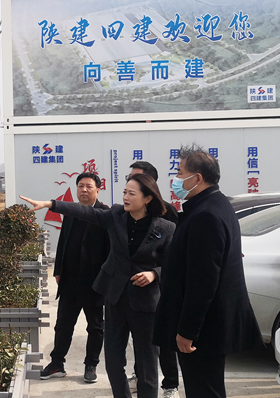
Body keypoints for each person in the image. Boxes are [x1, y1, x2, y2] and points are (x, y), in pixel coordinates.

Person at [21, 173, 175, 398]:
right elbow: (84, 212)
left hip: (146, 304)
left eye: (132, 193)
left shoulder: (166, 228)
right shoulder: (115, 216)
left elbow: (173, 265)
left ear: (148, 198)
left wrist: (154, 274)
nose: (125, 197)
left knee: (147, 364)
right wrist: (51, 204)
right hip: (115, 299)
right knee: (113, 362)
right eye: (124, 192)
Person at [153, 145, 262, 398]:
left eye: (180, 173)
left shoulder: (206, 215)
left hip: (204, 329)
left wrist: (187, 331)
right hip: (209, 325)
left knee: (203, 390)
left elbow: (203, 281)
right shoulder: (214, 204)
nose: (176, 179)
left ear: (197, 178)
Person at [39, 172, 110, 383]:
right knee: (63, 325)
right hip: (70, 280)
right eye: (81, 186)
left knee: (95, 328)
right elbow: (63, 242)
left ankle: (91, 365)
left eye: (89, 186)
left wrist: (106, 279)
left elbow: (110, 250)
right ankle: (57, 363)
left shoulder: (105, 214)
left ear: (98, 190)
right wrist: (58, 270)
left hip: (94, 283)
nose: (84, 190)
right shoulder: (71, 213)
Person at [126, 161, 180, 398]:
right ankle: (140, 377)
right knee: (142, 343)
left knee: (164, 341)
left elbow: (173, 256)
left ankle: (170, 385)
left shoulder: (166, 212)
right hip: (138, 291)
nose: (131, 182)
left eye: (136, 178)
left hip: (162, 289)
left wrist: (155, 274)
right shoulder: (127, 215)